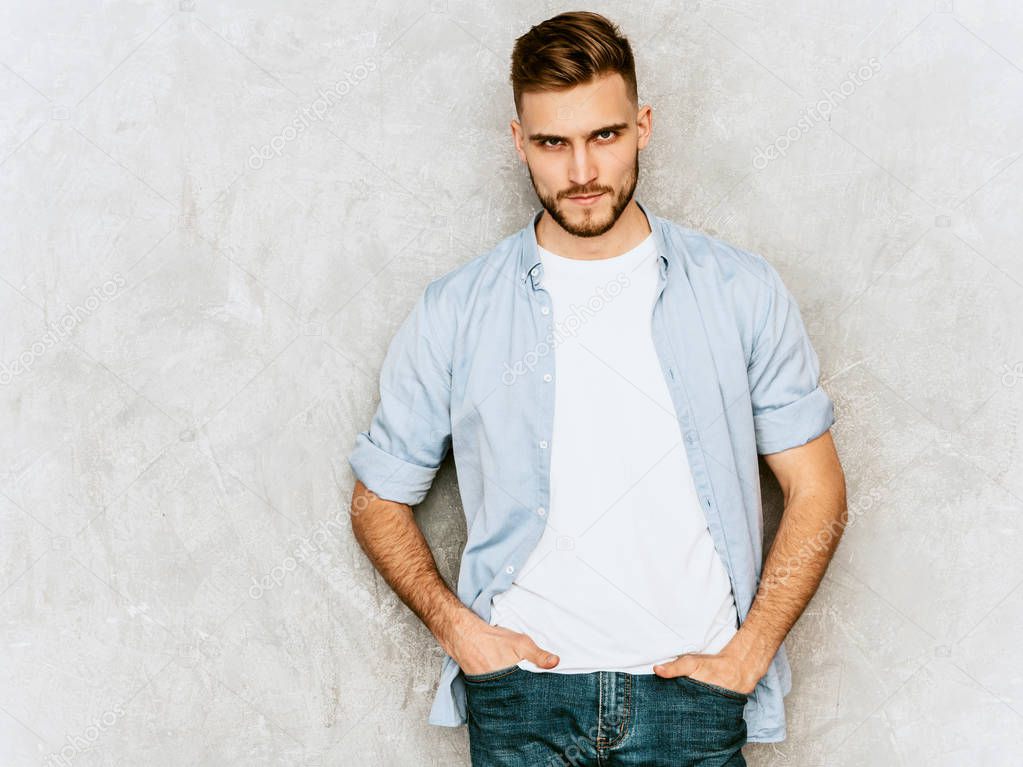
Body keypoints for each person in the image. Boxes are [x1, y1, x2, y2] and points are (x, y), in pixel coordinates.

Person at [347, 10, 847, 766]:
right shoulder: (455, 308)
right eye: (553, 142)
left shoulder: (739, 289)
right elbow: (377, 497)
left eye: (603, 135)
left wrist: (748, 653)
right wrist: (462, 634)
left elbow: (817, 490)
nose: (581, 170)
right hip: (523, 701)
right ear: (518, 141)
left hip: (693, 697)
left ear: (642, 125)